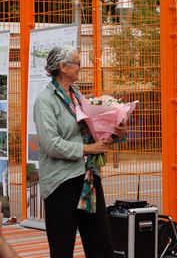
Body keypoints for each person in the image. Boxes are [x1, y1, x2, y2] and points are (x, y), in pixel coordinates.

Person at [33, 46, 126, 258]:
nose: (81, 68)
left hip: (88, 178)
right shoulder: (45, 101)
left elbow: (92, 129)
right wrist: (87, 148)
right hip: (61, 182)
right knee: (62, 246)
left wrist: (116, 131)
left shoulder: (77, 95)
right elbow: (50, 143)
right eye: (77, 64)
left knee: (100, 242)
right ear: (63, 67)